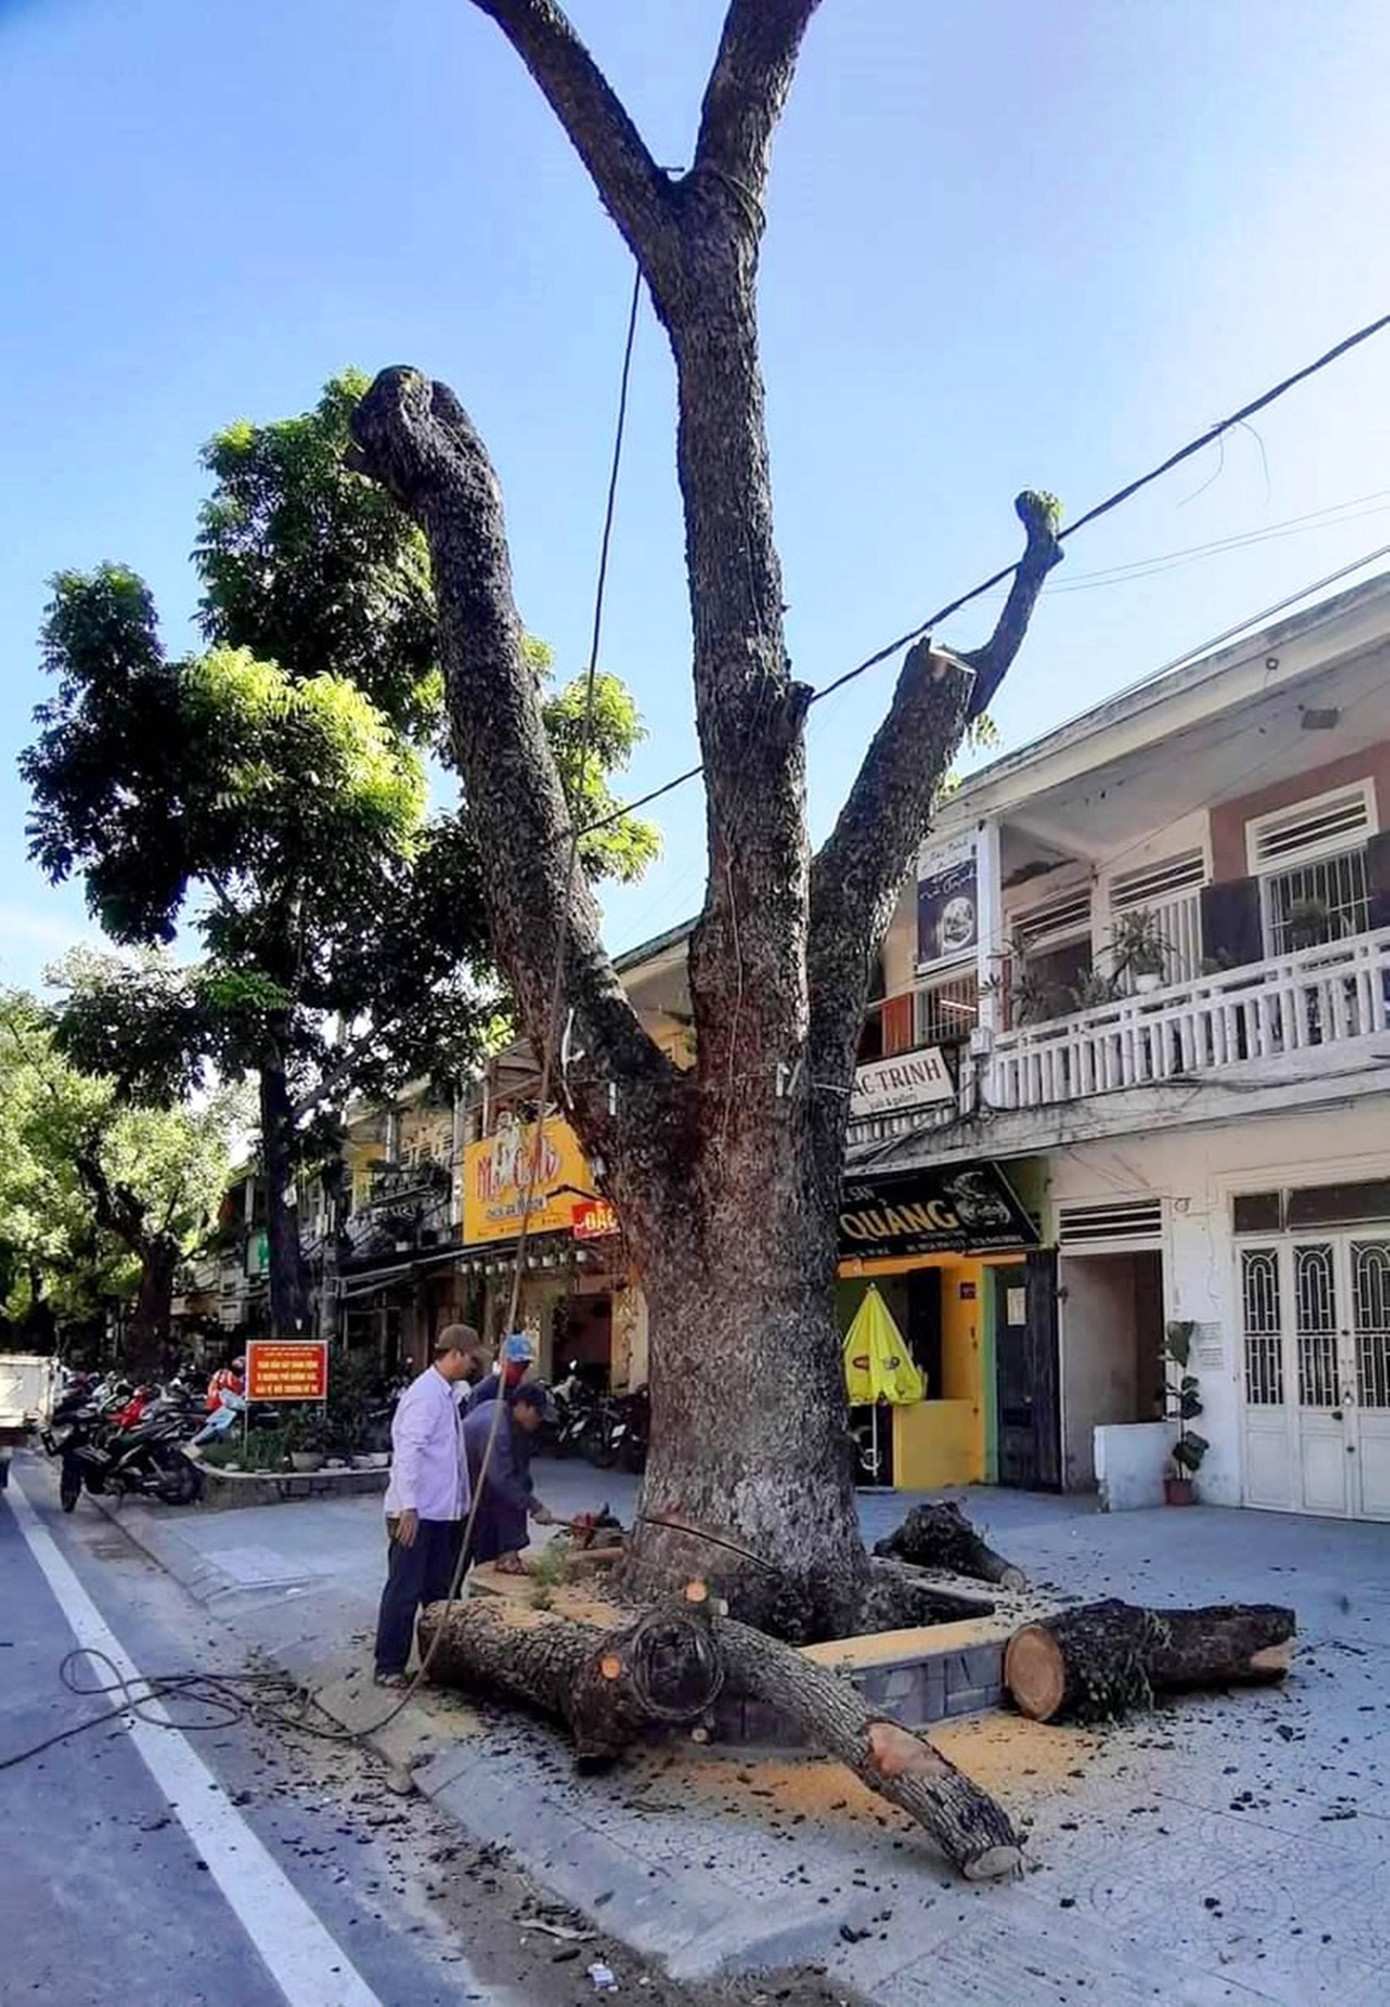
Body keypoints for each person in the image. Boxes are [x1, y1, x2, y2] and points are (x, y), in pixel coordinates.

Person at [372, 1330, 475, 1687]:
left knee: (439, 1590)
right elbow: (409, 1454)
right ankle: (388, 1665)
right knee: (405, 1588)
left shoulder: (447, 1394)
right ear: (457, 1354)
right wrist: (409, 1507)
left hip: (441, 1513)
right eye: (472, 1357)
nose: (474, 1364)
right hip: (418, 1513)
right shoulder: (426, 1396)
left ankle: (440, 1664)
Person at [462, 1381, 555, 1571]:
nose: (539, 1422)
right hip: (467, 1495)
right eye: (537, 1415)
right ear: (522, 1406)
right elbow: (502, 1480)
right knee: (470, 1555)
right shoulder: (498, 1430)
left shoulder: (507, 1416)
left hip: (483, 1490)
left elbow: (520, 1478)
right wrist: (534, 1506)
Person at [464, 1331, 536, 1414]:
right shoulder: (485, 1390)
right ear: (503, 1361)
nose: (521, 1370)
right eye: (516, 1365)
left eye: (525, 1365)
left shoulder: (526, 1391)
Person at [189, 1355, 245, 1448]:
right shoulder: (233, 1378)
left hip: (210, 1401)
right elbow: (234, 1397)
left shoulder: (220, 1372)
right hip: (219, 1404)